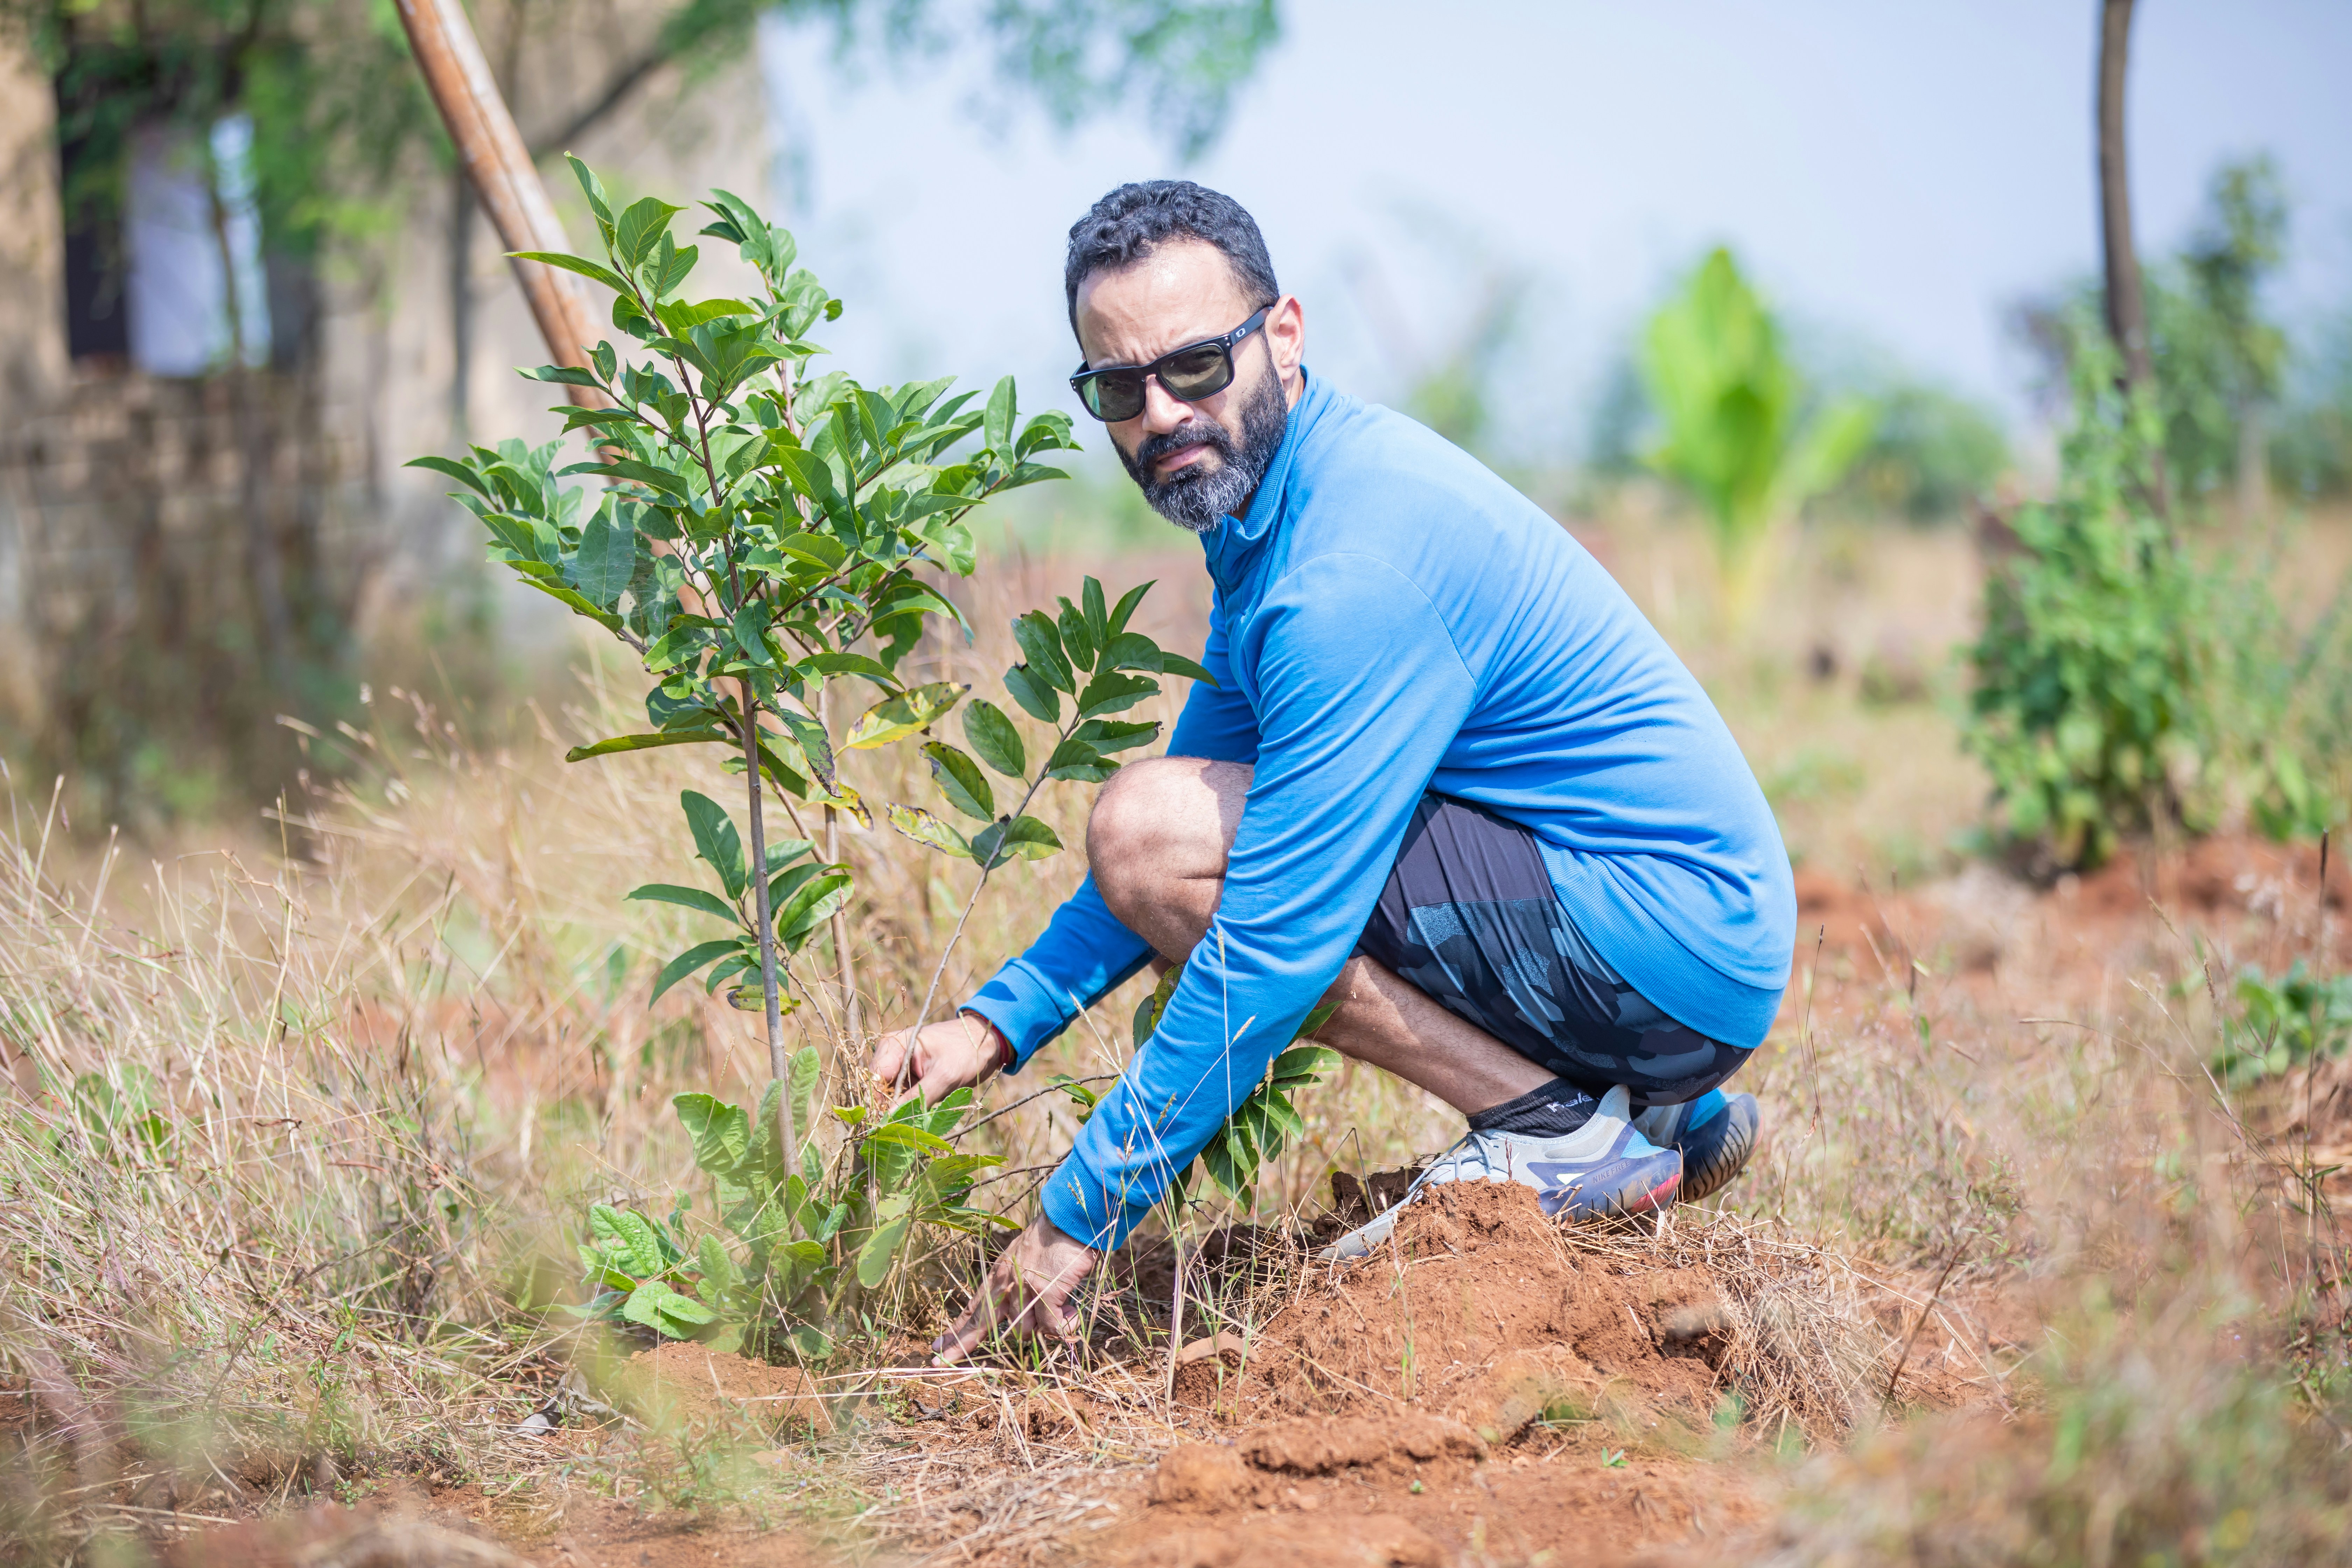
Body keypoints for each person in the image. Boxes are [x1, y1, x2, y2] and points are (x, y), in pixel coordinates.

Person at [874, 180, 1794, 1365]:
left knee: (1152, 833)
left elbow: (1267, 934)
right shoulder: (1271, 515)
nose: (1161, 415)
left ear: (1285, 336)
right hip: (1665, 946)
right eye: (1120, 388)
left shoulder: (1347, 568)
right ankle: (1665, 1115)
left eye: (1197, 367)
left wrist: (1077, 1218)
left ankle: (1551, 1128)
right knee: (1164, 823)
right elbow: (1205, 792)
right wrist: (992, 1027)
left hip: (1673, 945)